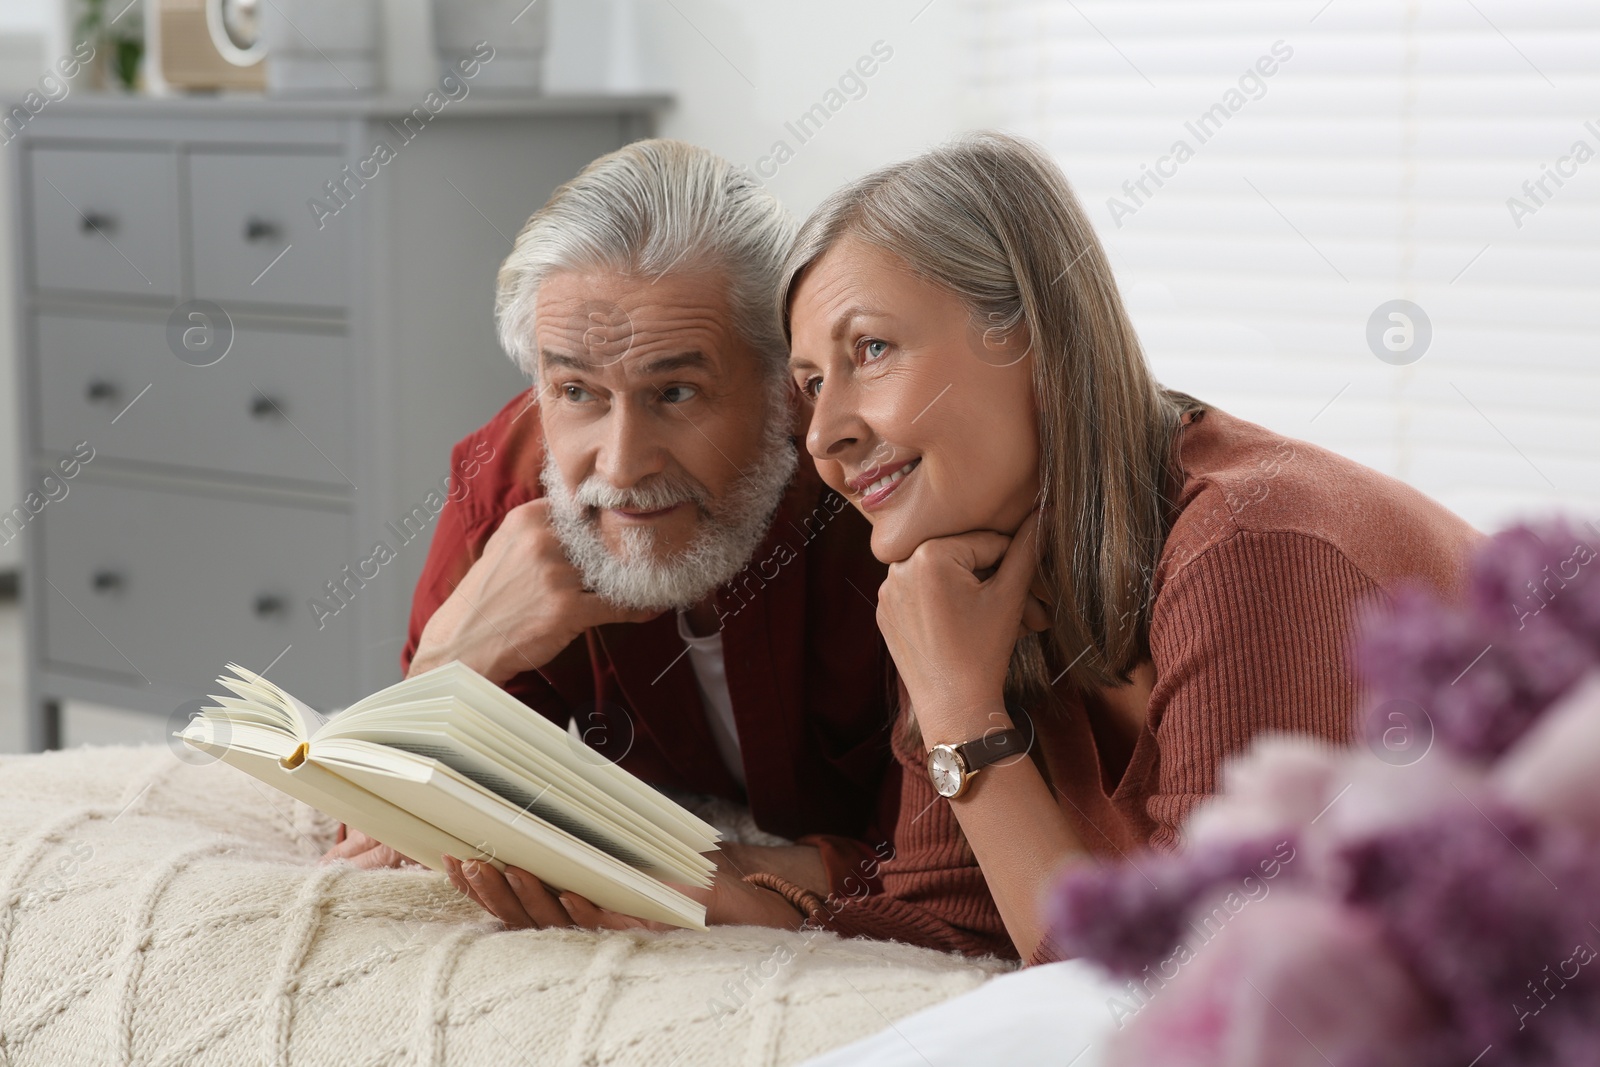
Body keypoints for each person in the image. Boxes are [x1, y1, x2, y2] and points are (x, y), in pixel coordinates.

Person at [763, 131, 1484, 964]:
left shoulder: (1248, 546)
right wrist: (728, 908)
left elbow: (1187, 978)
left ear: (1037, 338)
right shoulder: (960, 574)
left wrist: (961, 713)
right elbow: (958, 926)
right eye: (813, 382)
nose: (825, 434)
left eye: (873, 349)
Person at [321, 140, 898, 933]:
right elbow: (390, 812)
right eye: (577, 391)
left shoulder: (878, 500)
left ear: (783, 385)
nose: (622, 466)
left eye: (676, 390)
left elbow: (956, 855)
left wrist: (743, 873)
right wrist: (453, 658)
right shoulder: (511, 486)